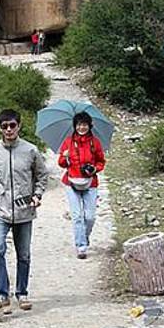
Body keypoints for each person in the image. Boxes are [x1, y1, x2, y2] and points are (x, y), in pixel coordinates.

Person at [0, 109, 49, 313]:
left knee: (23, 254)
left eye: (12, 125)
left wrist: (37, 195)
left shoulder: (31, 150)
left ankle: (22, 293)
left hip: (24, 209)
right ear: (0, 128)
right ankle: (2, 293)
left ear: (19, 126)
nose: (9, 129)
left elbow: (42, 175)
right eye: (4, 126)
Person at [57, 111, 105, 259]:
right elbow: (61, 164)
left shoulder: (95, 142)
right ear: (75, 126)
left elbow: (101, 161)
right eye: (78, 124)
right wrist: (64, 157)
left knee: (90, 217)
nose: (81, 127)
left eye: (84, 124)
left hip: (90, 183)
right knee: (77, 216)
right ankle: (81, 247)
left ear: (89, 126)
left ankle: (84, 237)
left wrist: (95, 168)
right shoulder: (68, 142)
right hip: (71, 182)